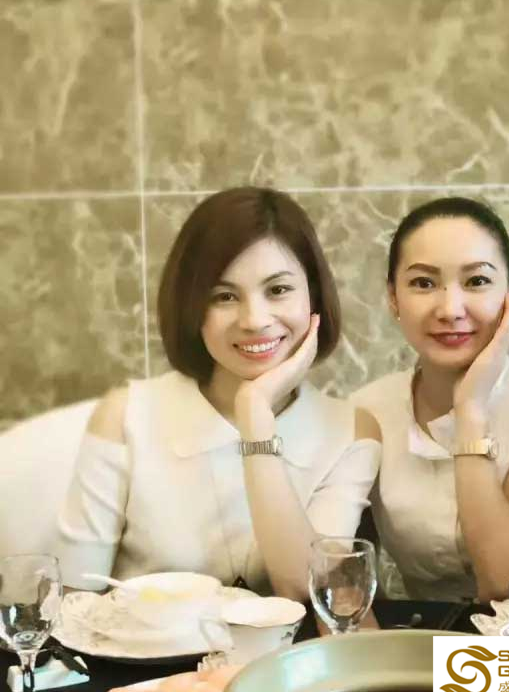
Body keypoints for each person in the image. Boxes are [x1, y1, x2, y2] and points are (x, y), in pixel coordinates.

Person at [55, 187, 380, 601]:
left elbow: (306, 589)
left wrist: (255, 415)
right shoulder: (124, 417)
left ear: (313, 296)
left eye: (278, 290)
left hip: (287, 646)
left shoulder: (350, 430)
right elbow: (74, 602)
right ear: (192, 308)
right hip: (143, 646)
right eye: (224, 296)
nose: (255, 320)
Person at [352, 197, 509, 604]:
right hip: (431, 637)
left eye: (477, 281)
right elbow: (340, 567)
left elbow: (505, 581)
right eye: (423, 283)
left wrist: (470, 411)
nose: (450, 309)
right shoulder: (368, 411)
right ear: (393, 297)